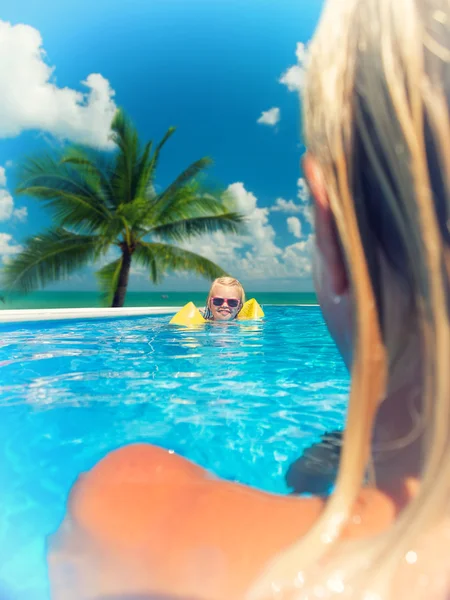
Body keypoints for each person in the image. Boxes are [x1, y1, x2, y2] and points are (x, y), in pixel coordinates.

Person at [47, 0, 450, 598]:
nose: (228, 310)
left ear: (331, 235)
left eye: (233, 303)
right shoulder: (198, 322)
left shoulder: (124, 512)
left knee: (313, 467)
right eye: (221, 302)